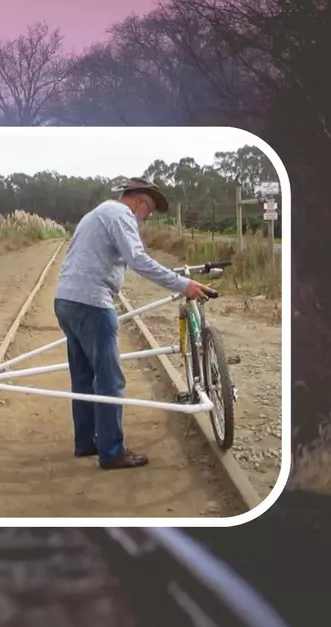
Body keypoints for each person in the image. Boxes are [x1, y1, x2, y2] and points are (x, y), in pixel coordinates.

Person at [54, 178, 212, 470]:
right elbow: (137, 260)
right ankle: (112, 452)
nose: (147, 217)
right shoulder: (121, 216)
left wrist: (174, 276)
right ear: (139, 202)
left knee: (84, 376)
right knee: (110, 379)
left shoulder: (97, 214)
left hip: (65, 300)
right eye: (149, 210)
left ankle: (86, 442)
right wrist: (183, 283)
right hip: (92, 303)